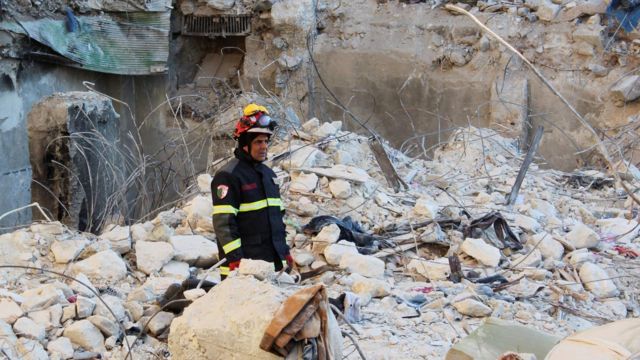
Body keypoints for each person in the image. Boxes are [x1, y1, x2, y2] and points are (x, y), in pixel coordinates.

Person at [211, 103, 293, 278]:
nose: (264, 146)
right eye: (258, 142)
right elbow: (223, 223)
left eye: (265, 141)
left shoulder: (269, 175)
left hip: (271, 267)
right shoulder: (228, 176)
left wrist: (284, 252)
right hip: (243, 269)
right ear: (245, 144)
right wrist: (236, 260)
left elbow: (276, 220)